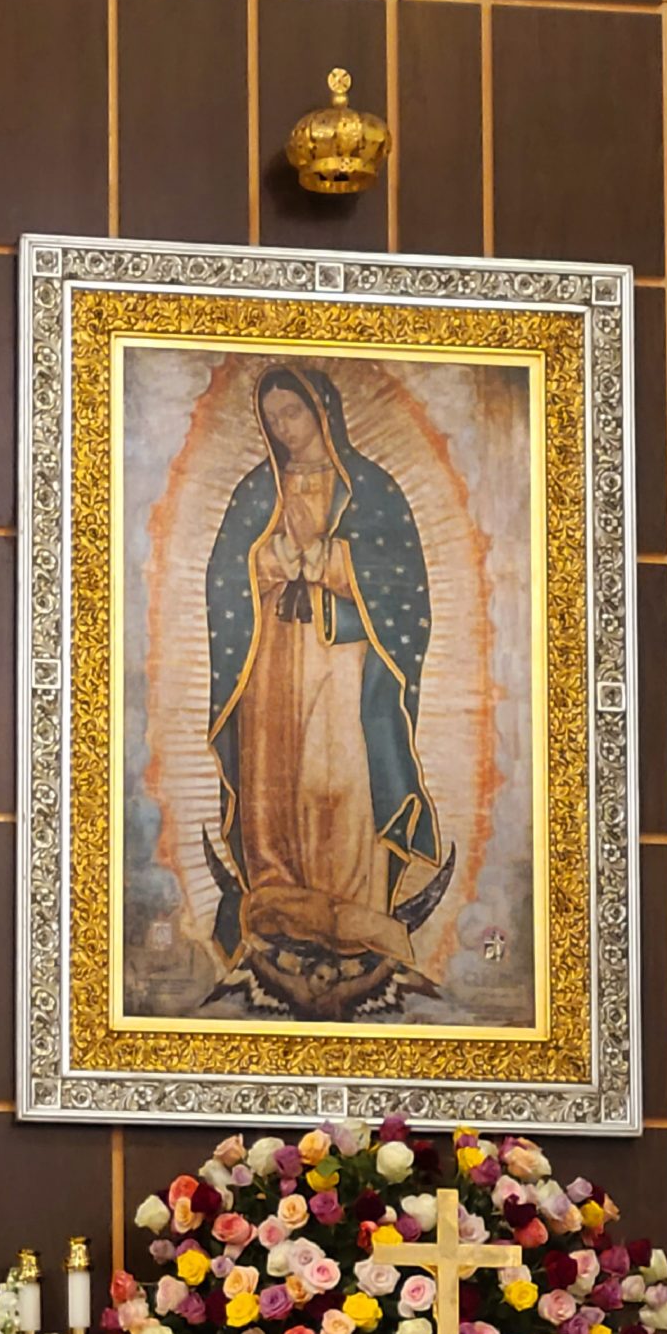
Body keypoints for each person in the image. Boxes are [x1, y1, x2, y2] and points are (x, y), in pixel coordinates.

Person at [204, 364, 440, 992]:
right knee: (272, 779)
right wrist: (268, 561)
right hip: (271, 658)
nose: (284, 428)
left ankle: (351, 905)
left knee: (336, 778)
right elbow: (225, 575)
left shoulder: (369, 489)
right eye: (273, 418)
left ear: (321, 410)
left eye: (293, 413)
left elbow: (402, 583)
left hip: (342, 659)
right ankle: (279, 897)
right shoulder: (258, 490)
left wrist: (331, 562)